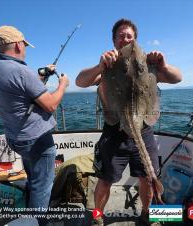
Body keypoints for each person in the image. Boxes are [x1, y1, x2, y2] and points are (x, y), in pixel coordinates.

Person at [76, 19, 182, 226]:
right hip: (114, 131)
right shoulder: (108, 65)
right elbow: (80, 81)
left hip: (144, 130)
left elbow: (177, 78)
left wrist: (163, 65)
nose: (125, 39)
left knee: (148, 178)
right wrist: (100, 65)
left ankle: (147, 214)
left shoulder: (147, 64)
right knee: (105, 179)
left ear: (135, 40)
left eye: (129, 36)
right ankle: (97, 218)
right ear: (114, 40)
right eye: (121, 36)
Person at [0, 25, 69, 223]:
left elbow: (17, 89)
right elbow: (51, 105)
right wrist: (63, 85)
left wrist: (41, 74)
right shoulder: (22, 71)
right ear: (17, 45)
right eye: (24, 44)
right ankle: (36, 221)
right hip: (37, 140)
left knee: (33, 178)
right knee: (42, 185)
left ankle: (29, 215)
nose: (25, 48)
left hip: (16, 138)